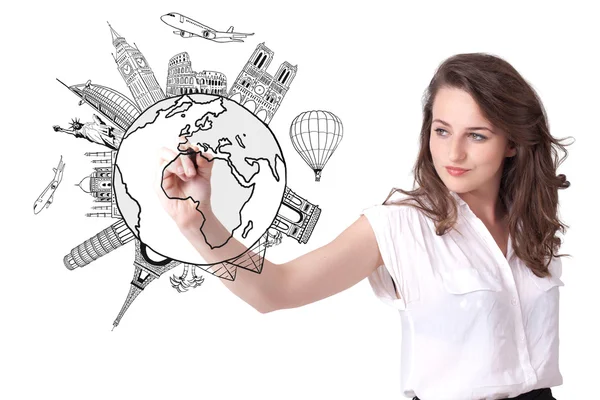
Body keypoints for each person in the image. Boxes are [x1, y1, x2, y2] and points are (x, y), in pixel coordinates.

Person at [155, 53, 572, 400]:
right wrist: (199, 224)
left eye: (477, 136)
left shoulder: (532, 225)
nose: (454, 152)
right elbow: (274, 290)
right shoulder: (400, 225)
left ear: (513, 143)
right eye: (441, 131)